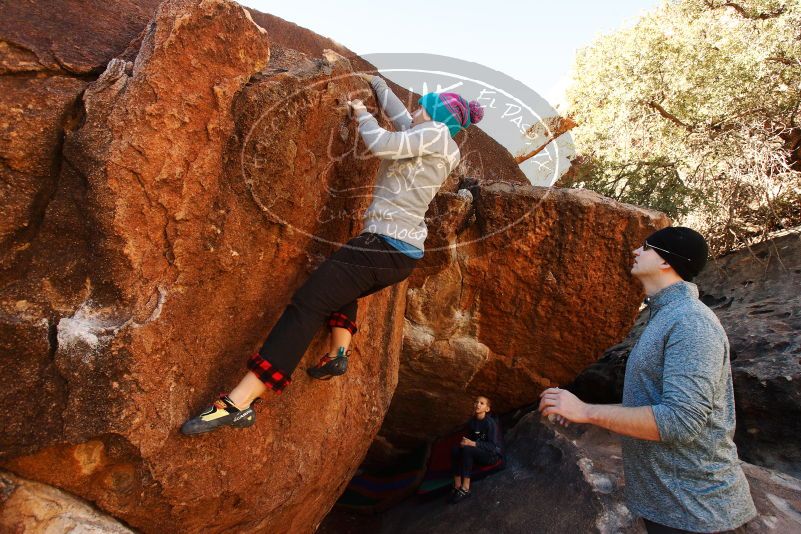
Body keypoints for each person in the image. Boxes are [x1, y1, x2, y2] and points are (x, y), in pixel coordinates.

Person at [181, 73, 485, 435]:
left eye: (424, 106)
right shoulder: (437, 139)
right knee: (339, 287)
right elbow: (404, 118)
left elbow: (381, 143)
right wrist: (379, 86)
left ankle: (239, 402)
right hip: (397, 253)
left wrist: (360, 110)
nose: (416, 108)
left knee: (308, 304)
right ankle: (338, 352)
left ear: (435, 118)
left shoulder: (431, 135)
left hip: (382, 246)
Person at [538, 226, 757, 533]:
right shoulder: (665, 317)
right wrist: (581, 413)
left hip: (699, 513)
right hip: (670, 507)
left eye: (646, 247)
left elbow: (679, 421)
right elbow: (649, 406)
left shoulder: (691, 322)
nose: (635, 252)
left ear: (667, 261)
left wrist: (586, 411)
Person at [449, 395, 503, 504]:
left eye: (481, 403)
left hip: (491, 456)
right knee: (455, 449)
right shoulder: (472, 422)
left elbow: (493, 447)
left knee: (468, 450)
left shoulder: (490, 423)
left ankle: (465, 488)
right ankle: (457, 485)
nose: (478, 404)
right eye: (476, 402)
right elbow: (470, 440)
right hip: (477, 453)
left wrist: (471, 444)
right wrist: (464, 443)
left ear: (487, 409)